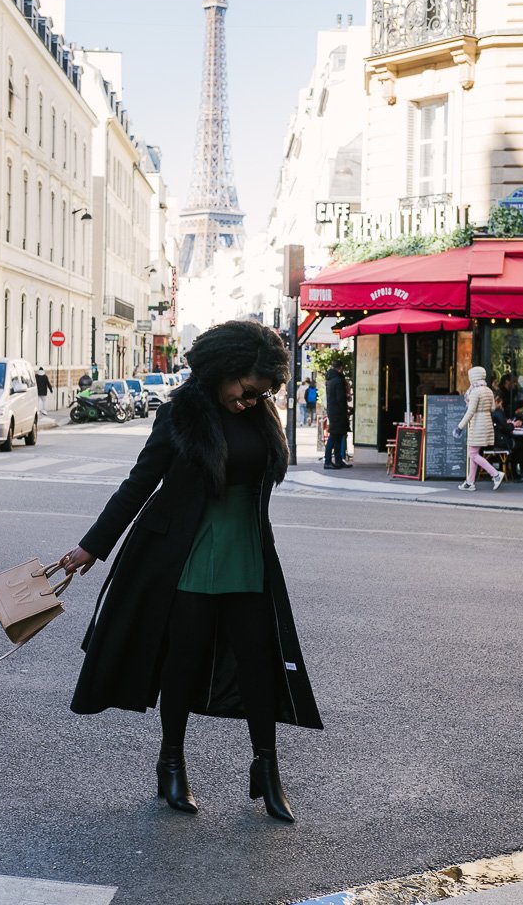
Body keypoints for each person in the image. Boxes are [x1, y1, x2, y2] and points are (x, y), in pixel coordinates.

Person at [59, 320, 323, 823]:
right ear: (224, 369)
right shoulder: (183, 412)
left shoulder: (260, 413)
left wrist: (257, 405)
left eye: (261, 393)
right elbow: (139, 483)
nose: (250, 401)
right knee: (182, 660)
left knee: (258, 661)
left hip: (247, 550)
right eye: (246, 390)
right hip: (189, 553)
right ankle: (172, 763)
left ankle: (267, 769)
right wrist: (92, 547)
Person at [454, 365, 504, 492]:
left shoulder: (475, 391)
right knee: (474, 453)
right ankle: (470, 482)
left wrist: (459, 427)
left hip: (477, 425)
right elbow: (493, 408)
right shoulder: (488, 390)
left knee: (473, 454)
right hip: (486, 423)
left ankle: (496, 474)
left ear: (473, 377)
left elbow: (470, 412)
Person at [323, 361, 351, 470]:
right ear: (340, 368)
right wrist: (346, 409)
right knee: (334, 436)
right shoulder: (338, 381)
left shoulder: (330, 380)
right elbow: (340, 399)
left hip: (333, 411)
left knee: (337, 436)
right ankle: (328, 461)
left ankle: (337, 460)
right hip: (338, 413)